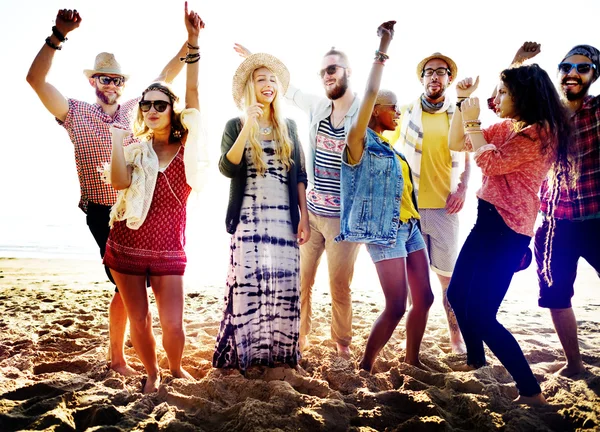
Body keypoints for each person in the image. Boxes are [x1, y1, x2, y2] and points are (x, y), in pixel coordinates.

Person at [26, 8, 188, 376]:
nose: (111, 84)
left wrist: (190, 41)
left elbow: (168, 75)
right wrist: (58, 35)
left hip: (140, 208)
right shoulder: (74, 112)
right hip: (102, 210)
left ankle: (117, 356)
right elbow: (35, 80)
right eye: (104, 78)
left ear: (123, 84)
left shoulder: (138, 108)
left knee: (125, 288)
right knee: (123, 285)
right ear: (93, 81)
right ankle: (118, 357)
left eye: (116, 79)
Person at [447, 63, 571, 405]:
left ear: (524, 95)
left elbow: (493, 164)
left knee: (482, 316)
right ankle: (477, 361)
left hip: (509, 230)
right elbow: (457, 141)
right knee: (457, 296)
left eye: (503, 92)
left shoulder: (541, 133)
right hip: (485, 223)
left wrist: (472, 122)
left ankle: (531, 392)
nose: (496, 98)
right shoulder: (507, 127)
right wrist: (461, 102)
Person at [233, 42, 362, 358]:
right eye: (322, 72)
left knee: (339, 286)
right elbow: (286, 90)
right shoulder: (319, 106)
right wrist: (255, 59)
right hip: (314, 212)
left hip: (344, 219)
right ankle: (301, 335)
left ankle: (342, 343)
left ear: (348, 72)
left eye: (332, 69)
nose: (326, 76)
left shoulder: (364, 111)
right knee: (301, 280)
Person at [102, 3, 205, 393]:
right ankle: (152, 373)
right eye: (145, 105)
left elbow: (192, 89)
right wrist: (117, 141)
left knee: (174, 324)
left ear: (173, 110)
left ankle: (175, 368)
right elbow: (118, 184)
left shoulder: (188, 145)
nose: (151, 110)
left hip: (168, 248)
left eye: (159, 104)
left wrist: (193, 43)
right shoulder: (135, 147)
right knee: (140, 319)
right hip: (127, 243)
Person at [337, 21, 434, 372]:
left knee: (425, 298)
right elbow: (368, 93)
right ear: (376, 109)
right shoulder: (359, 143)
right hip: (385, 233)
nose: (397, 112)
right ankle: (365, 364)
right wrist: (384, 45)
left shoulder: (393, 152)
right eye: (391, 106)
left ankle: (412, 359)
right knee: (396, 305)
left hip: (409, 228)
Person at [214, 52, 310, 372]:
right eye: (260, 79)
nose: (267, 85)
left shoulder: (290, 127)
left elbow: (299, 177)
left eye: (272, 80)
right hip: (248, 218)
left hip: (284, 219)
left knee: (284, 287)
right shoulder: (235, 124)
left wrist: (304, 219)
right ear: (250, 87)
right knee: (248, 284)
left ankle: (281, 354)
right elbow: (228, 167)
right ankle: (247, 353)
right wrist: (248, 125)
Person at [385, 52, 471, 353]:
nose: (435, 76)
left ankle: (456, 337)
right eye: (429, 71)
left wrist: (462, 188)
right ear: (422, 78)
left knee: (448, 281)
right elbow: (385, 143)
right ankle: (415, 341)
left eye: (442, 71)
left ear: (449, 78)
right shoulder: (406, 112)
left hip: (445, 209)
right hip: (409, 209)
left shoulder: (457, 113)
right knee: (416, 283)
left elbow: (468, 153)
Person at [535, 44, 600, 378]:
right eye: (565, 67)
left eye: (583, 68)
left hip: (596, 219)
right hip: (554, 223)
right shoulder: (545, 114)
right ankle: (575, 364)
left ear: (593, 75)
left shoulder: (597, 110)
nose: (572, 73)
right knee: (556, 294)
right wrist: (518, 61)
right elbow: (498, 103)